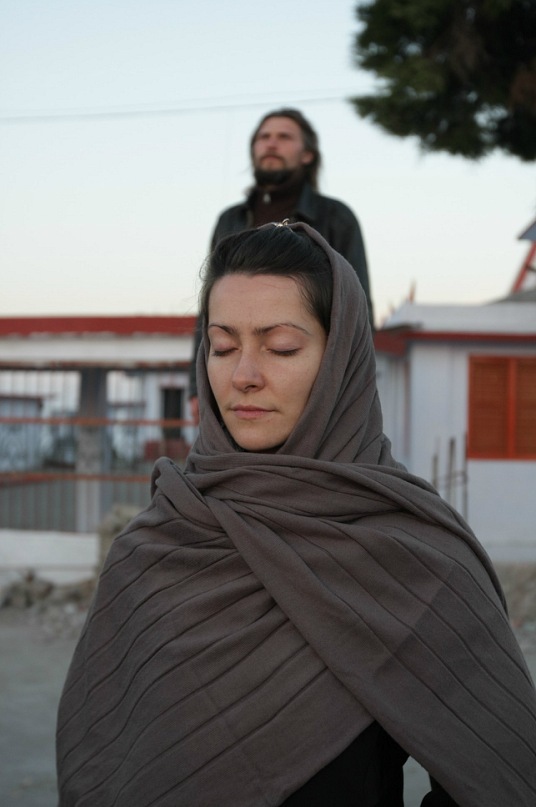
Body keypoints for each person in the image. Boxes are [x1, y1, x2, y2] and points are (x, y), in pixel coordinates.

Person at [56, 223, 536, 807]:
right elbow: (105, 767)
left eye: (281, 347)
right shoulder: (153, 547)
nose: (243, 375)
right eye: (222, 346)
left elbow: (500, 777)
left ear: (340, 361)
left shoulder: (417, 557)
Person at [188, 107, 372, 424]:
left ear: (307, 154)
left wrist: (345, 385)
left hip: (312, 391)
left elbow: (358, 308)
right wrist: (196, 386)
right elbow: (209, 310)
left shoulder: (336, 218)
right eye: (263, 137)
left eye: (284, 137)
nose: (271, 143)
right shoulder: (230, 220)